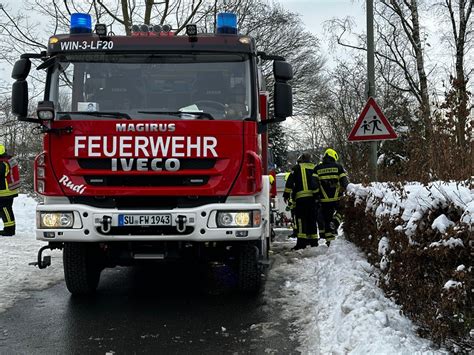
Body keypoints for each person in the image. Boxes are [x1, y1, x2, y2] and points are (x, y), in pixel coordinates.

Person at [283, 153, 319, 250]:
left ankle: (301, 243)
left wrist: (286, 195)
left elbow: (290, 182)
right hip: (313, 199)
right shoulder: (315, 168)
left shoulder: (297, 168)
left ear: (301, 159)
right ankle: (314, 242)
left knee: (301, 220)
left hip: (301, 199)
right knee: (312, 220)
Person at [314, 148, 349, 246]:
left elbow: (314, 184)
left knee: (326, 219)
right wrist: (348, 191)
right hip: (337, 198)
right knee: (341, 211)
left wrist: (316, 195)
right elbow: (344, 182)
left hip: (324, 200)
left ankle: (329, 241)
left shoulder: (317, 168)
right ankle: (335, 221)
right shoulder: (338, 167)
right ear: (333, 156)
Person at [0, 144, 19, 236]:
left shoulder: (3, 163)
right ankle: (8, 228)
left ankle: (9, 230)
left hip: (5, 191)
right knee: (5, 209)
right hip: (10, 189)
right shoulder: (9, 160)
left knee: (5, 209)